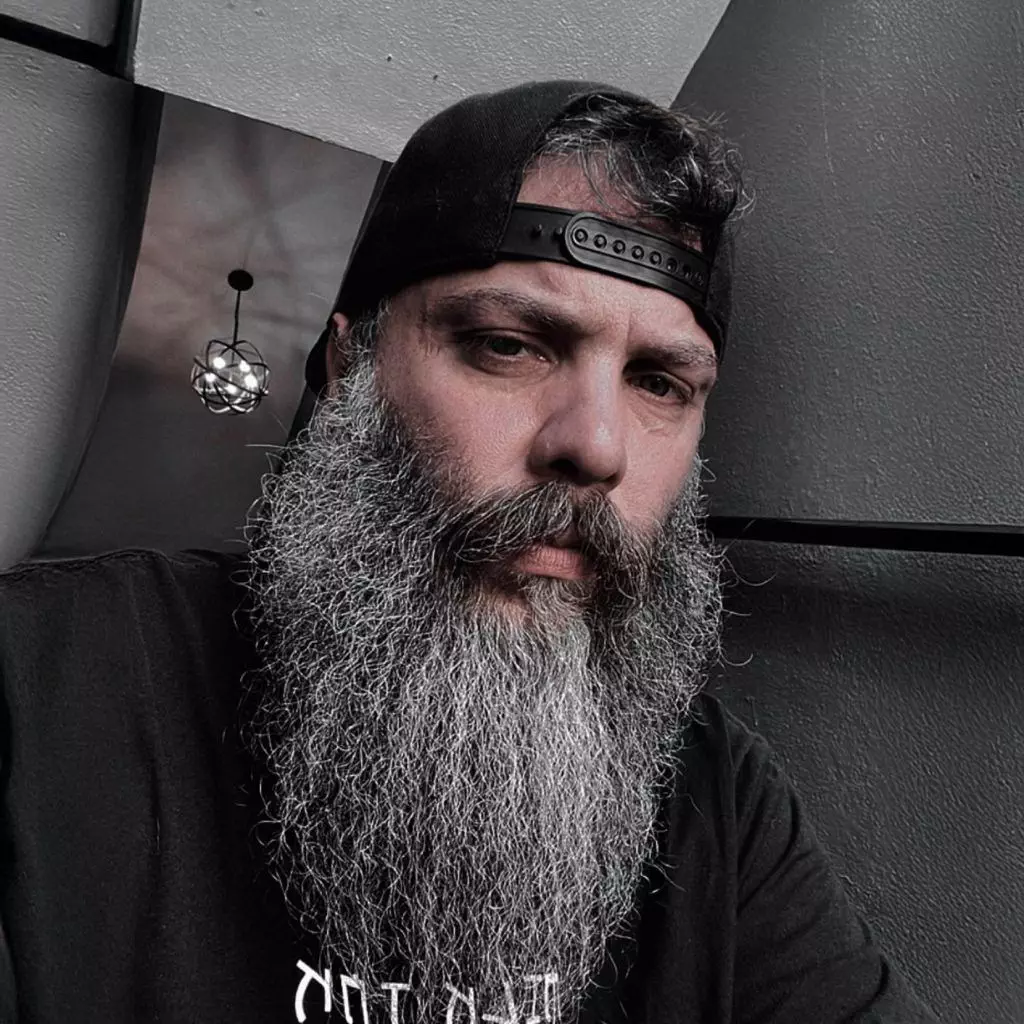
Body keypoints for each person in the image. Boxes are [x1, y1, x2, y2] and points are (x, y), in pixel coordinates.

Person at [0, 80, 938, 1024]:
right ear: (349, 366)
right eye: (507, 345)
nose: (597, 447)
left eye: (659, 382)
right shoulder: (46, 686)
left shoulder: (715, 798)